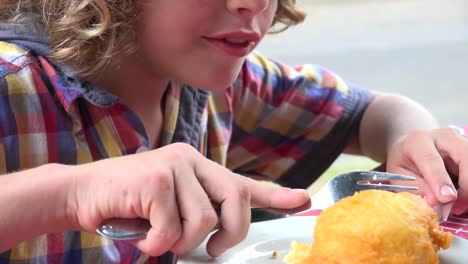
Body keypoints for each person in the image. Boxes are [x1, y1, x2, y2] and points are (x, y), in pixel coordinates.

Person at [0, 0, 466, 263]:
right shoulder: (10, 85)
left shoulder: (221, 86)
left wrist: (414, 141)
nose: (255, 4)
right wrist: (70, 195)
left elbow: (373, 114)